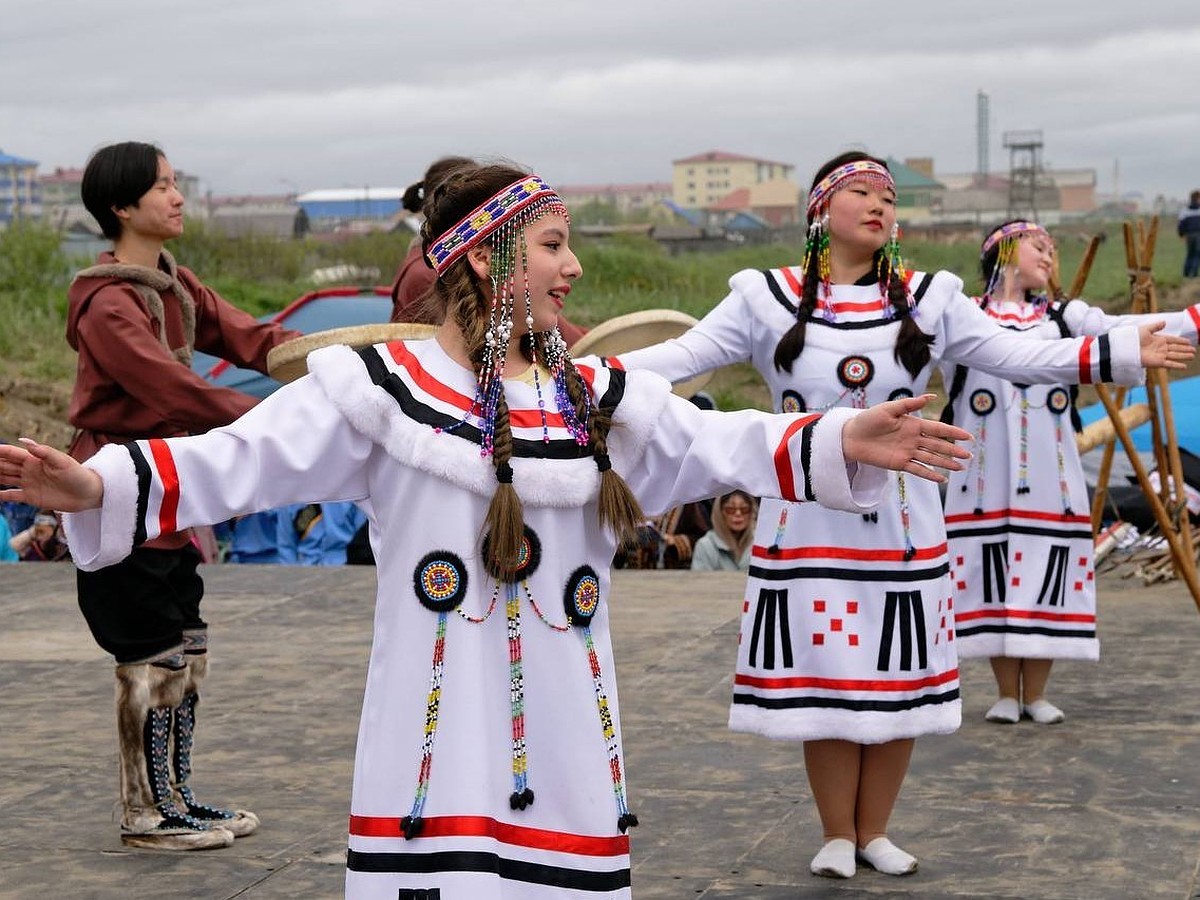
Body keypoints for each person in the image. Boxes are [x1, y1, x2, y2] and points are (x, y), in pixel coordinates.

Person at [0, 162, 974, 899]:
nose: (575, 265)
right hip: (430, 743)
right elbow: (236, 462)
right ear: (483, 255)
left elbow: (725, 442)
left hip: (569, 739)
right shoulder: (380, 390)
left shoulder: (598, 400)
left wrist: (846, 432)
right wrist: (90, 484)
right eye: (552, 244)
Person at [612, 151, 1195, 879]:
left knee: (897, 674)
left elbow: (1023, 357)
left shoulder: (930, 296)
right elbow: (683, 355)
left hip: (905, 521)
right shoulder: (764, 297)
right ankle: (834, 833)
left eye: (888, 195)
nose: (879, 204)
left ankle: (875, 831)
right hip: (804, 521)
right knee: (824, 679)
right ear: (821, 209)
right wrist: (583, 378)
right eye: (860, 191)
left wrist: (1128, 342)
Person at [62, 141, 301, 850]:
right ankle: (144, 814)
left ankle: (178, 798)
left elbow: (253, 338)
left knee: (185, 647)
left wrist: (345, 365)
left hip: (169, 486)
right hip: (115, 488)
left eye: (175, 185)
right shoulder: (108, 302)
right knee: (147, 651)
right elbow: (170, 388)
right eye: (162, 187)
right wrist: (267, 419)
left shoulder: (175, 283)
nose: (177, 197)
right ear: (121, 207)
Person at [941, 220, 1200, 725]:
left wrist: (1194, 318)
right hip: (981, 486)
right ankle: (1003, 693)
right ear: (1005, 251)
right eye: (1040, 246)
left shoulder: (1064, 317)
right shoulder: (965, 317)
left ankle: (1035, 694)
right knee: (992, 579)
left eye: (1053, 249)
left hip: (1051, 482)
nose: (1049, 256)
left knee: (1045, 576)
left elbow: (1124, 333)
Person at [391, 156, 590, 347]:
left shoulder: (424, 267)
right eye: (552, 245)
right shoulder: (425, 275)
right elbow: (578, 342)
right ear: (483, 257)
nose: (576, 269)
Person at [275, 500, 368, 565]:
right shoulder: (293, 498)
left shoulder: (352, 495)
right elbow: (286, 547)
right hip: (305, 570)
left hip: (345, 567)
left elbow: (361, 542)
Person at [691, 490, 756, 571]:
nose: (738, 514)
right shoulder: (705, 546)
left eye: (744, 509)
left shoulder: (760, 543)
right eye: (730, 510)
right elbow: (699, 582)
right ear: (719, 513)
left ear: (751, 512)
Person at [1178, 190, 1200, 278]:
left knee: (1190, 253)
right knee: (1197, 254)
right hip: (1198, 234)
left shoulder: (1185, 210)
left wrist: (1181, 234)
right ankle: (1193, 274)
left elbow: (1181, 225)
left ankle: (1186, 273)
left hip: (1188, 235)